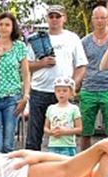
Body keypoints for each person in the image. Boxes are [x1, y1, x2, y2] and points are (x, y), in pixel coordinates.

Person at [25, 4, 87, 151]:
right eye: (51, 16)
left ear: (64, 18)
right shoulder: (36, 39)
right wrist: (41, 63)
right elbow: (26, 65)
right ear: (47, 18)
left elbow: (82, 66)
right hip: (39, 91)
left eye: (57, 16)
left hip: (63, 93)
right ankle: (31, 169)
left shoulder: (72, 38)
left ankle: (61, 167)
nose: (54, 20)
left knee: (63, 136)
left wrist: (72, 85)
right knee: (34, 137)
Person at [0, 12, 31, 153]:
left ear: (12, 27)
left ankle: (8, 173)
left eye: (7, 25)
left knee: (8, 144)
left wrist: (26, 96)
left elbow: (26, 73)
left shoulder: (19, 46)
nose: (3, 28)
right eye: (1, 24)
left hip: (12, 97)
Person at [79, 6, 108, 151]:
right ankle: (84, 160)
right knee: (85, 130)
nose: (100, 21)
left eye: (103, 18)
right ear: (92, 20)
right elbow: (80, 64)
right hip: (89, 88)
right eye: (97, 18)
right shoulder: (85, 41)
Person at [44, 77, 83, 177]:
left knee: (68, 172)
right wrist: (51, 132)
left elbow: (79, 128)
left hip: (68, 144)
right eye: (59, 91)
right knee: (55, 172)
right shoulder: (51, 108)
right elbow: (46, 127)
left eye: (65, 91)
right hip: (54, 144)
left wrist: (65, 131)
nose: (61, 93)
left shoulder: (74, 109)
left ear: (71, 92)